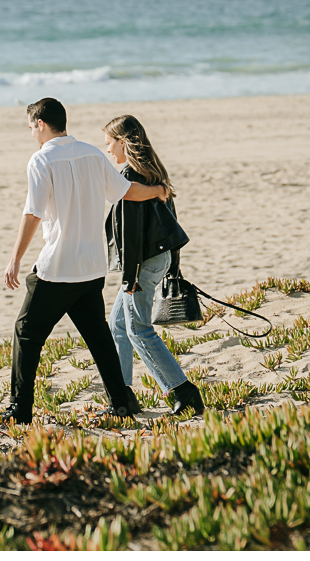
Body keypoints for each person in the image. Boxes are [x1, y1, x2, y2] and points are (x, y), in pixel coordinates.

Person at [0, 97, 170, 426]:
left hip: (58, 267)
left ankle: (19, 410)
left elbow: (32, 213)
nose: (31, 132)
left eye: (32, 126)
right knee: (98, 337)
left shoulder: (40, 160)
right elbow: (127, 191)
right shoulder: (92, 153)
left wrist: (14, 260)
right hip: (92, 268)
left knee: (26, 333)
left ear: (42, 125)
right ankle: (121, 402)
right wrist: (158, 191)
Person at [103, 114, 204, 416]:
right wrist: (173, 264)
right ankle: (122, 395)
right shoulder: (152, 171)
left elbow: (132, 236)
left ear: (122, 142)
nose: (107, 149)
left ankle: (183, 391)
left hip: (143, 264)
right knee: (118, 325)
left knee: (138, 329)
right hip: (157, 259)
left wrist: (129, 277)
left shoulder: (131, 178)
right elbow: (170, 221)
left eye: (109, 143)